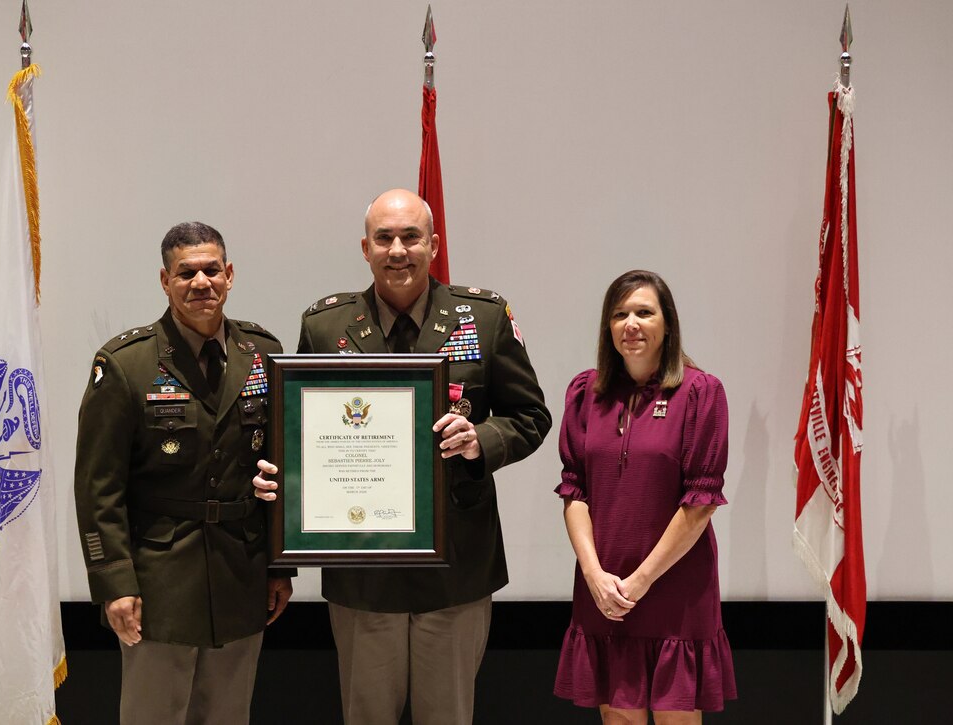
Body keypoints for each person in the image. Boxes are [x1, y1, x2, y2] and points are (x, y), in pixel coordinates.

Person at [253, 189, 552, 725]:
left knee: (449, 717)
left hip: (456, 570)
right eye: (384, 238)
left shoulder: (481, 318)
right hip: (363, 570)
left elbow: (530, 418)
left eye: (411, 237)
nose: (398, 250)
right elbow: (297, 437)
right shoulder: (326, 325)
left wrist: (479, 439)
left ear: (433, 245)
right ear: (364, 248)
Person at [74, 221, 293, 725]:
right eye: (186, 272)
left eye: (211, 270)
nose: (201, 283)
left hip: (242, 575)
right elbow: (98, 488)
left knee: (228, 715)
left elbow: (284, 464)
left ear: (230, 275)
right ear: (165, 280)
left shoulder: (261, 353)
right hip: (159, 583)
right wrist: (114, 582)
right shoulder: (127, 364)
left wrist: (279, 565)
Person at [553, 270, 737, 724]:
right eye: (619, 314)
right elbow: (574, 490)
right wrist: (596, 575)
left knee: (676, 718)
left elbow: (701, 503)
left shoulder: (700, 393)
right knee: (618, 717)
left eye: (643, 312)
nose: (630, 323)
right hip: (604, 589)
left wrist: (639, 582)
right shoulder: (585, 393)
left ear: (667, 324)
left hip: (673, 590)